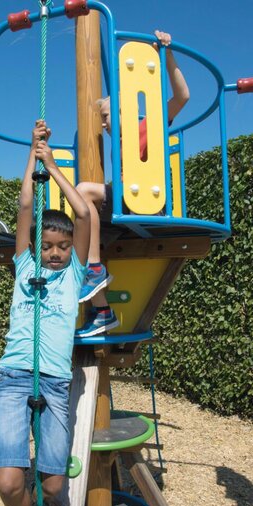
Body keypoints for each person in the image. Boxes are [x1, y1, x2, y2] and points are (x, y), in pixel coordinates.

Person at [0, 120, 90, 506]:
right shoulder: (25, 267)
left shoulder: (73, 276)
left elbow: (83, 214)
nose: (54, 253)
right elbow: (25, 208)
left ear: (71, 250)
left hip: (53, 380)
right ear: (36, 244)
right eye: (47, 245)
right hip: (14, 378)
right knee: (10, 482)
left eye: (62, 247)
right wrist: (33, 153)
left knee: (52, 487)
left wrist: (53, 164)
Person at [75, 30, 190, 338]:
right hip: (128, 206)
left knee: (84, 191)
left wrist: (166, 55)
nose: (102, 123)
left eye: (106, 115)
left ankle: (96, 269)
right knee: (83, 239)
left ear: (125, 112)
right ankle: (102, 312)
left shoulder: (146, 127)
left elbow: (182, 97)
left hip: (148, 204)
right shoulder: (120, 145)